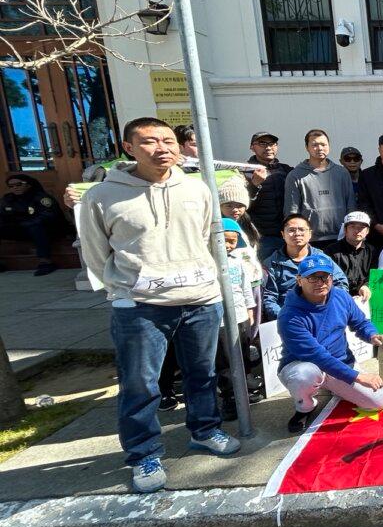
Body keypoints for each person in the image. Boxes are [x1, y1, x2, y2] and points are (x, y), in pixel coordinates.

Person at [77, 117, 240, 493]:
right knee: (141, 385)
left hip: (199, 300)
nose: (162, 147)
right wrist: (122, 290)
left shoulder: (197, 190)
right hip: (140, 307)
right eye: (150, 141)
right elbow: (95, 252)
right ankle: (144, 453)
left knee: (202, 376)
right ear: (129, 148)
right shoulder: (102, 196)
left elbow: (205, 239)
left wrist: (207, 282)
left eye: (168, 140)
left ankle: (205, 430)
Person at [277, 251, 383, 434]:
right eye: (312, 278)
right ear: (299, 280)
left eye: (324, 277)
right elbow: (317, 356)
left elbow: (360, 322)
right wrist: (358, 377)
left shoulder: (340, 296)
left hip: (340, 362)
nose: (320, 282)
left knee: (379, 401)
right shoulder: (289, 316)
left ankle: (335, 387)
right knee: (303, 375)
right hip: (308, 365)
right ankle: (304, 407)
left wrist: (372, 335)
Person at [262, 213, 349, 321]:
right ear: (283, 234)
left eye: (302, 229)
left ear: (310, 234)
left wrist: (329, 308)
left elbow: (341, 283)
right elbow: (269, 298)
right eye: (291, 230)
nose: (297, 234)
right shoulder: (272, 263)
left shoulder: (322, 258)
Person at [283, 129, 356, 251]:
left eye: (323, 144)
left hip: (340, 238)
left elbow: (351, 205)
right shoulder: (295, 175)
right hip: (310, 240)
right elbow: (292, 211)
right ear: (307, 147)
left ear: (329, 146)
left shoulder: (342, 172)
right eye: (315, 145)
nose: (320, 148)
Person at [215, 218, 257, 420]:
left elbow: (245, 286)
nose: (229, 245)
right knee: (223, 361)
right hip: (220, 320)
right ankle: (230, 397)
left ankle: (246, 389)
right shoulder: (209, 262)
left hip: (240, 315)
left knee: (243, 354)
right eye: (225, 240)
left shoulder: (237, 261)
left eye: (233, 241)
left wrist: (250, 309)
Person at [1, 173, 66, 275]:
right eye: (11, 186)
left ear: (28, 184)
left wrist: (27, 223)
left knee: (36, 226)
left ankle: (46, 262)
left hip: (47, 230)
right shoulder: (8, 199)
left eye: (18, 184)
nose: (15, 188)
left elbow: (49, 216)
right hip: (22, 229)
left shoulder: (41, 197)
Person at [246, 131, 292, 261]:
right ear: (252, 147)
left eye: (272, 144)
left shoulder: (286, 170)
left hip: (288, 234)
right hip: (262, 237)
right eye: (262, 143)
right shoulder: (244, 171)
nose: (268, 147)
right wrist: (254, 184)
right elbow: (241, 206)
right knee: (266, 275)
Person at [325, 211, 376, 300]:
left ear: (367, 231)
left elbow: (374, 273)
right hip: (338, 297)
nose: (357, 231)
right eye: (352, 227)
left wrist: (366, 285)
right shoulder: (331, 250)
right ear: (345, 229)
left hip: (364, 298)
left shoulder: (372, 251)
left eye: (362, 228)